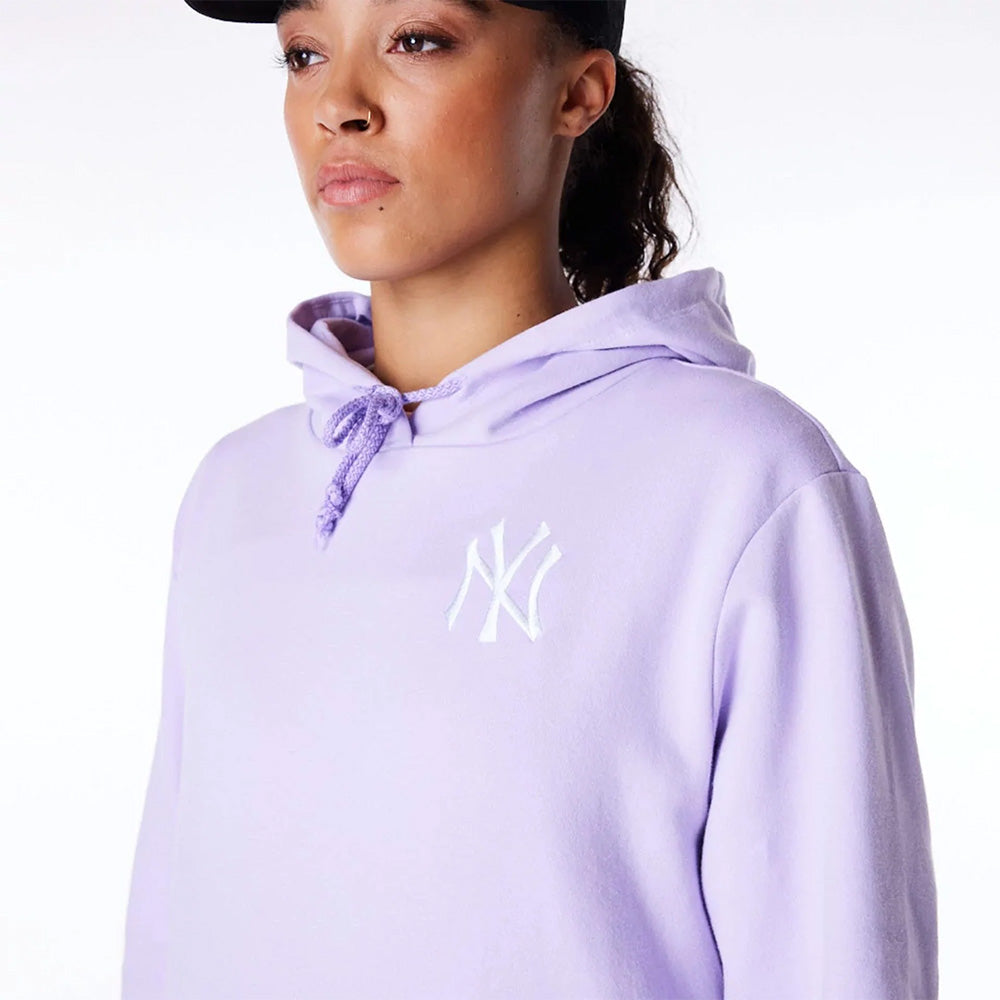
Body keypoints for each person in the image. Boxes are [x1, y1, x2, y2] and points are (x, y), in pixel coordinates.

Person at [121, 1, 939, 997]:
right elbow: (171, 942)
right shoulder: (238, 492)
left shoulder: (740, 482)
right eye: (304, 53)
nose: (340, 103)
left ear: (577, 94)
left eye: (417, 40)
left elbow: (832, 958)